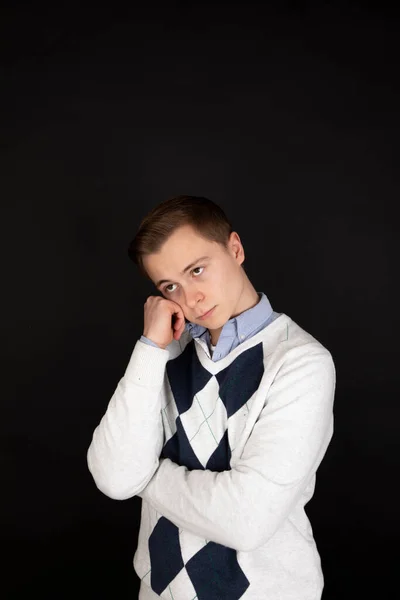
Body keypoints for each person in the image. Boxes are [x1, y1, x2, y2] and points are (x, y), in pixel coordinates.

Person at [87, 195, 336, 600]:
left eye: (197, 270)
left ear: (235, 249)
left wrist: (147, 475)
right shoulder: (165, 349)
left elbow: (245, 520)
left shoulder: (301, 362)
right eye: (171, 286)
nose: (190, 298)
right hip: (160, 590)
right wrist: (150, 347)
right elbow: (114, 478)